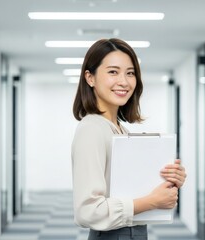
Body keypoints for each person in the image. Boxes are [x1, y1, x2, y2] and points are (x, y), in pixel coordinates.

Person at [71, 38, 186, 240]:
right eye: (113, 72)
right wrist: (152, 202)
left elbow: (127, 190)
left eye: (130, 73)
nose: (124, 81)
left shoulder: (118, 129)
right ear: (90, 78)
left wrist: (169, 181)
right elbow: (87, 211)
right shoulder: (92, 129)